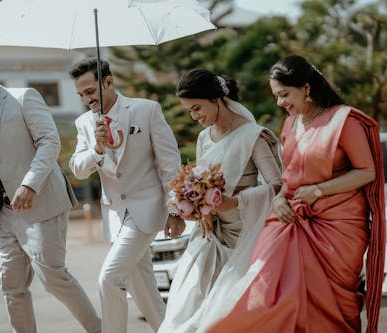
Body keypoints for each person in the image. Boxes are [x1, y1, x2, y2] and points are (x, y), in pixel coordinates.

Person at [203, 55, 385, 333]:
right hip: (292, 219)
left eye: (284, 94)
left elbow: (366, 171)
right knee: (266, 290)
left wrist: (319, 190)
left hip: (339, 228)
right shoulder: (290, 125)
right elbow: (289, 175)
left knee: (330, 308)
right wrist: (278, 199)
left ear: (307, 88)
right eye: (276, 96)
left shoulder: (343, 121)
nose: (280, 103)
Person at [0, 56, 101, 333]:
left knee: (53, 277)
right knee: (11, 285)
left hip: (42, 204)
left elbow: (49, 142)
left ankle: (99, 329)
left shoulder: (24, 98)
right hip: (5, 215)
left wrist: (30, 185)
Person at [157, 69, 282, 333]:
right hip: (212, 235)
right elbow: (202, 181)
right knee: (191, 307)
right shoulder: (204, 138)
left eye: (197, 107)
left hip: (249, 234)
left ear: (217, 99)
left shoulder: (253, 135)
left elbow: (279, 186)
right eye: (189, 111)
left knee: (234, 310)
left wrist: (235, 202)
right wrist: (195, 209)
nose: (194, 116)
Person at [68, 57, 181, 333]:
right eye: (81, 94)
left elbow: (169, 162)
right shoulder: (83, 123)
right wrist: (96, 149)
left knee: (109, 278)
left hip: (148, 207)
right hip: (115, 215)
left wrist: (176, 209)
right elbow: (78, 169)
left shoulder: (146, 110)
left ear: (108, 82)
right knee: (145, 293)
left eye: (91, 91)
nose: (86, 99)